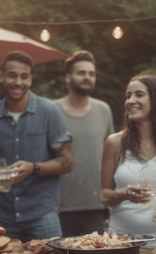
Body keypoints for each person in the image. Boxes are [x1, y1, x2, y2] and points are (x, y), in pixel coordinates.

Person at [0, 50, 73, 242]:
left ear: (31, 79)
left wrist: (33, 168)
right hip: (2, 216)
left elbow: (67, 162)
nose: (18, 82)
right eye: (12, 75)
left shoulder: (49, 112)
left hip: (42, 215)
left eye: (24, 76)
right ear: (1, 76)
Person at [100, 74, 156, 247]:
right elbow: (104, 195)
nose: (130, 101)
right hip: (120, 241)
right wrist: (124, 194)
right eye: (128, 96)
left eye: (139, 94)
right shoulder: (115, 143)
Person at [54, 50, 114, 236]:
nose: (87, 77)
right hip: (59, 207)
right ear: (68, 78)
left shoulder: (103, 110)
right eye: (81, 73)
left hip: (96, 205)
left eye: (91, 73)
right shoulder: (52, 110)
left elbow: (112, 157)